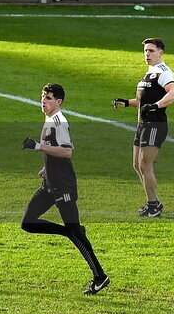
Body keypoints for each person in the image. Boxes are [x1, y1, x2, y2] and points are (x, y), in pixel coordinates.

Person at [21, 84, 109, 295]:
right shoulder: (50, 119)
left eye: (49, 98)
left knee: (74, 231)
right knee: (28, 223)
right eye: (43, 97)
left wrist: (38, 146)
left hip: (62, 186)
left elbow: (67, 152)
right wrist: (46, 167)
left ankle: (100, 276)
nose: (44, 101)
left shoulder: (59, 122)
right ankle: (71, 231)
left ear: (58, 102)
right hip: (50, 183)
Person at [113, 38, 174, 218]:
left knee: (145, 165)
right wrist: (126, 103)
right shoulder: (149, 73)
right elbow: (143, 102)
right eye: (145, 51)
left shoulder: (164, 73)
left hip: (155, 125)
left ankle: (153, 205)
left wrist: (156, 106)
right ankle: (154, 202)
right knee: (137, 165)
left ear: (160, 53)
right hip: (143, 124)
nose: (147, 54)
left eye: (151, 51)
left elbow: (173, 94)